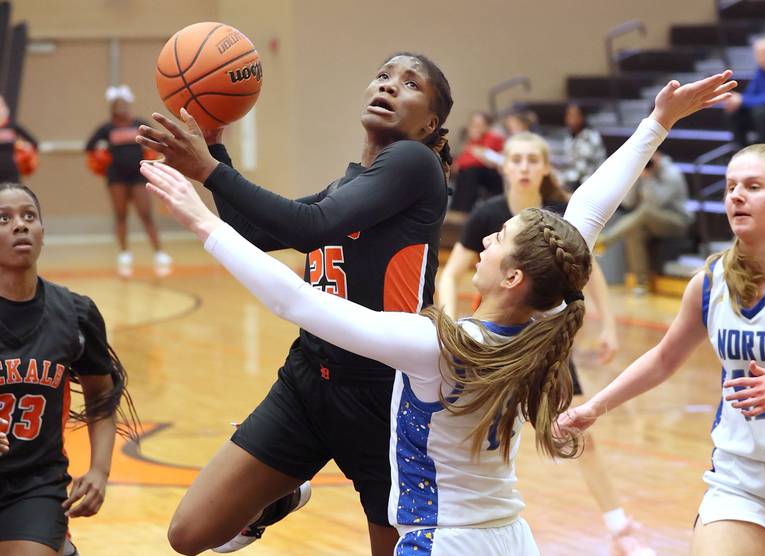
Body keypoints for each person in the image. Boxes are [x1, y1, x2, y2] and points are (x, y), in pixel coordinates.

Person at [142, 72, 735, 555]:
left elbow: (294, 297)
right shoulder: (536, 319)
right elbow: (585, 215)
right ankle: (277, 494)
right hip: (509, 536)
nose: (480, 242)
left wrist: (201, 215)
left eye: (497, 237)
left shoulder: (434, 346)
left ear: (511, 275)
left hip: (438, 533)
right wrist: (657, 124)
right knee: (191, 533)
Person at [136, 52, 453, 556]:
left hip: (383, 397)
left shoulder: (415, 164)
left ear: (430, 123)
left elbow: (311, 226)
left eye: (410, 84)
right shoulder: (349, 183)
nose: (389, 85)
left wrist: (211, 170)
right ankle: (279, 498)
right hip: (310, 380)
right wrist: (218, 150)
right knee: (189, 535)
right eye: (383, 75)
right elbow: (253, 233)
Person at [561, 141, 765, 555]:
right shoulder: (711, 281)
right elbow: (664, 358)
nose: (737, 195)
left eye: (753, 186)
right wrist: (593, 407)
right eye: (730, 187)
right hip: (741, 471)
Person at [437, 131, 658, 555]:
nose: (522, 167)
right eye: (514, 159)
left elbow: (589, 274)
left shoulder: (557, 218)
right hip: (493, 344)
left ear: (543, 167)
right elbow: (450, 272)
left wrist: (608, 324)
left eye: (530, 160)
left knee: (573, 429)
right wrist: (448, 323)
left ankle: (618, 525)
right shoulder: (488, 216)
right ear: (503, 166)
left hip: (546, 340)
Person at [0, 182, 139, 556]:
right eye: (4, 218)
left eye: (29, 216)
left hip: (34, 483)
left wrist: (99, 471)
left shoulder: (75, 314)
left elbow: (101, 394)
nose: (20, 225)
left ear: (43, 232)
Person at [85, 85, 172, 278]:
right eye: (117, 104)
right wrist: (101, 153)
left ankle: (159, 252)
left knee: (146, 213)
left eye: (124, 104)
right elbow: (89, 145)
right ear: (112, 107)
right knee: (121, 214)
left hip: (138, 175)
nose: (121, 107)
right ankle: (124, 253)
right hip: (116, 177)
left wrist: (155, 155)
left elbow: (158, 140)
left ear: (129, 104)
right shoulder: (106, 128)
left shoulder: (139, 124)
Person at [597, 152, 694, 293]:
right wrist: (635, 177)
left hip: (678, 221)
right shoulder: (643, 172)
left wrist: (648, 178)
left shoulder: (672, 173)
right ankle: (642, 283)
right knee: (634, 231)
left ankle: (605, 240)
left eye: (650, 158)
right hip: (651, 221)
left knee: (645, 211)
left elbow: (655, 203)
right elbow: (628, 202)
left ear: (658, 156)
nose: (647, 162)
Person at [449, 111, 505, 213]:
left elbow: (479, 161)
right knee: (466, 173)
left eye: (479, 125)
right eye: (473, 125)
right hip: (477, 173)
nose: (475, 128)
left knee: (470, 171)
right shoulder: (474, 140)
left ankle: (461, 211)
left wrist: (460, 164)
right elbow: (464, 159)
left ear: (487, 126)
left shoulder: (493, 137)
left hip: (496, 176)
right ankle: (456, 211)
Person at [561, 102, 606, 191]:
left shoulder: (591, 136)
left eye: (574, 115)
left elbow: (587, 168)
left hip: (591, 180)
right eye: (568, 115)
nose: (570, 118)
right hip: (574, 180)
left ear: (582, 117)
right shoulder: (568, 138)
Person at [0, 95, 38, 183]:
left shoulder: (11, 126)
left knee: (12, 193)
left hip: (10, 169)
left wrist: (22, 147)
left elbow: (34, 143)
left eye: (1, 105)